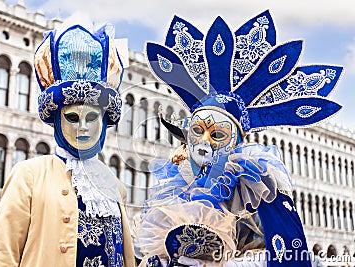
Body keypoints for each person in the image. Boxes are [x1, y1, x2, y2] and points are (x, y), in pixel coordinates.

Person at [133, 10, 343, 267]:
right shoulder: (178, 184)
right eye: (198, 131)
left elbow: (284, 252)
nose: (205, 142)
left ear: (235, 141)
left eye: (218, 134)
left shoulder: (255, 184)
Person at [0, 23, 135, 266]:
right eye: (73, 117)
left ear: (104, 122)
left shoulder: (113, 184)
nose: (83, 127)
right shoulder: (29, 175)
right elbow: (1, 255)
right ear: (57, 121)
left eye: (92, 118)